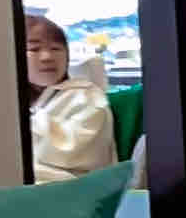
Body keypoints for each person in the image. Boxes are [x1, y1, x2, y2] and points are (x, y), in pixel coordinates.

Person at [22, 11, 116, 183]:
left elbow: (73, 153)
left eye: (56, 48)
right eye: (34, 49)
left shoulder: (86, 96)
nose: (47, 57)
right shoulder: (9, 101)